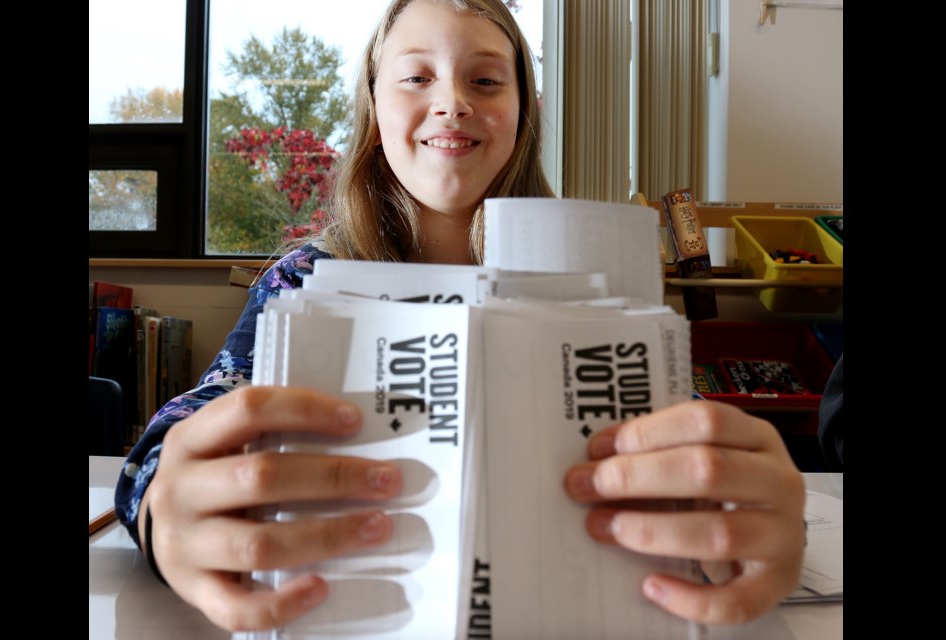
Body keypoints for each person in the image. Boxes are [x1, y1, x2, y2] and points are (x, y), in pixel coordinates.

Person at [116, 0, 805, 632]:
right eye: (416, 78)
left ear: (523, 112)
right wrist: (161, 507)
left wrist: (738, 503)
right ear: (374, 106)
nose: (450, 103)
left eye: (484, 81)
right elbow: (176, 436)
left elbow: (688, 450)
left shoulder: (592, 285)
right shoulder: (303, 277)